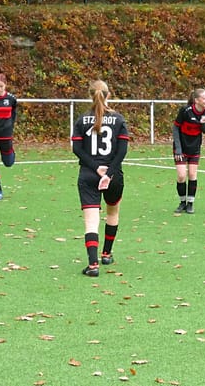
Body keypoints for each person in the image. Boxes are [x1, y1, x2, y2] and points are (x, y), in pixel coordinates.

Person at [71, 80, 130, 277]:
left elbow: (77, 149)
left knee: (91, 221)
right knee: (112, 213)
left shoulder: (81, 120)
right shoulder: (119, 120)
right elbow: (122, 152)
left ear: (90, 95)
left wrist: (96, 169)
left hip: (88, 174)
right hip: (114, 176)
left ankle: (93, 264)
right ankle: (106, 253)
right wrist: (109, 173)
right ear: (109, 95)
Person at [172, 88, 205, 214]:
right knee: (182, 175)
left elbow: (204, 131)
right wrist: (178, 149)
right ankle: (182, 202)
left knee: (193, 175)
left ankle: (190, 203)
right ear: (196, 100)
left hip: (194, 148)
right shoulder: (185, 111)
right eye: (204, 98)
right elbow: (176, 128)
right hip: (181, 148)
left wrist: (203, 124)